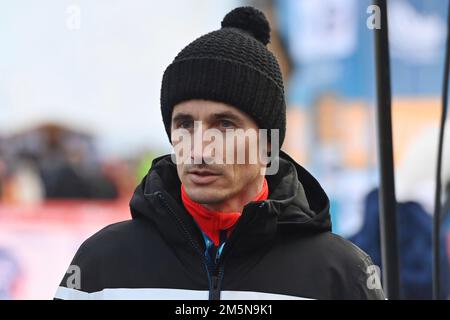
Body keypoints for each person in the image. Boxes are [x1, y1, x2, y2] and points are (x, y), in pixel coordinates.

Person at [54, 6, 384, 300]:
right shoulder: (101, 264)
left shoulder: (339, 274)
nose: (199, 148)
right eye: (184, 124)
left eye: (224, 125)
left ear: (267, 143)